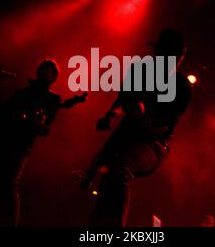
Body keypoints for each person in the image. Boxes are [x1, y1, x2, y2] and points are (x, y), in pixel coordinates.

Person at [80, 29, 193, 227]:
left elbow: (159, 127)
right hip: (130, 133)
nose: (175, 61)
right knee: (108, 175)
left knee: (120, 168)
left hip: (155, 144)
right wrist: (110, 116)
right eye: (170, 55)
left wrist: (140, 112)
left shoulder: (181, 86)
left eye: (177, 57)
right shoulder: (141, 72)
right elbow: (123, 102)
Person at [0, 59, 85, 226]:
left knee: (9, 183)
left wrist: (40, 123)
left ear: (54, 77)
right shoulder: (23, 92)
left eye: (51, 71)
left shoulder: (53, 99)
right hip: (3, 140)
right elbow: (3, 113)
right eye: (44, 69)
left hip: (21, 145)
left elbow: (45, 130)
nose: (46, 73)